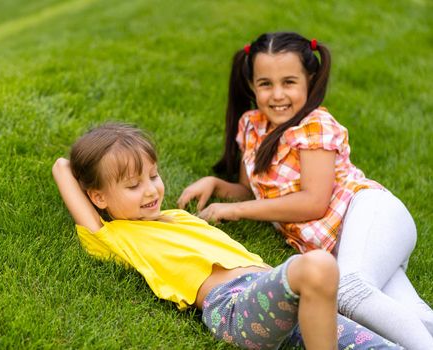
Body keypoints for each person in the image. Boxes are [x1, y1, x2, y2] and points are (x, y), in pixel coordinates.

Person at [177, 31, 433, 349]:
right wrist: (216, 184)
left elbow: (312, 202)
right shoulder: (251, 126)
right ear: (251, 85)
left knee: (348, 291)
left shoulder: (314, 125)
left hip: (370, 214)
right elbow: (251, 191)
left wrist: (234, 211)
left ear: (309, 80)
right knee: (413, 315)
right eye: (265, 84)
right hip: (346, 246)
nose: (277, 94)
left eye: (289, 82)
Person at [53, 122, 401, 349]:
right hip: (235, 306)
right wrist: (91, 159)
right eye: (132, 185)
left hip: (289, 300)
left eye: (153, 176)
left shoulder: (176, 216)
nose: (150, 191)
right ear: (98, 197)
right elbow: (62, 167)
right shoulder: (114, 235)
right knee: (318, 267)